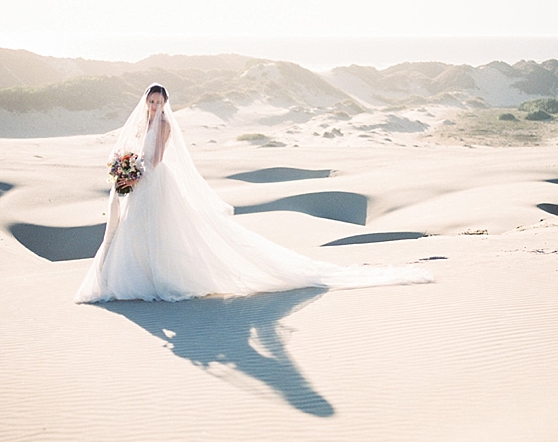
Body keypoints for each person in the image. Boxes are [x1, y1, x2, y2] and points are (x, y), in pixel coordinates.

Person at [75, 84, 432, 303]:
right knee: (134, 232)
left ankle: (155, 281)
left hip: (153, 182)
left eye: (158, 102)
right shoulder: (143, 123)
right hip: (140, 184)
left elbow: (155, 159)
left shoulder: (164, 125)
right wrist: (127, 169)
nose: (154, 107)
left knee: (158, 232)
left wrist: (135, 171)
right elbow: (138, 152)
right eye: (151, 102)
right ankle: (133, 280)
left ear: (165, 104)